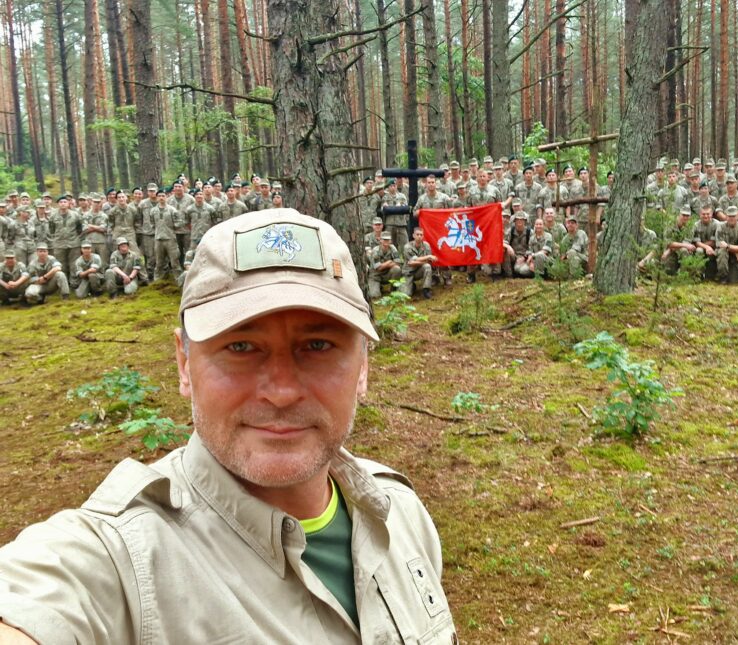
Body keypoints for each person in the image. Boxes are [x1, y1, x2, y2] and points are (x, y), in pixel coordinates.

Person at [0, 208, 455, 644]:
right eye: (240, 346)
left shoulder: (399, 513)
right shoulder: (122, 559)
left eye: (317, 344)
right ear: (184, 363)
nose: (281, 391)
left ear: (362, 367)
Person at [401, 227, 437, 299]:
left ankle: (426, 289)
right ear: (413, 235)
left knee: (427, 266)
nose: (419, 236)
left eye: (421, 235)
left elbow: (429, 262)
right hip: (408, 273)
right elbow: (412, 262)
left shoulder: (426, 245)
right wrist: (428, 257)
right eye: (417, 234)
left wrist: (421, 261)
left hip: (419, 270)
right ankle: (411, 286)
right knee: (406, 295)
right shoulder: (407, 247)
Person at [367, 230, 403, 298]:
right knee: (374, 295)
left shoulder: (393, 248)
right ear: (380, 240)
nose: (386, 241)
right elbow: (378, 268)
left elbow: (398, 263)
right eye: (384, 239)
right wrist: (389, 262)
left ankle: (393, 289)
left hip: (387, 274)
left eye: (388, 240)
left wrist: (385, 264)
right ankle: (378, 287)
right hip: (375, 276)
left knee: (397, 269)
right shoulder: (375, 250)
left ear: (390, 241)